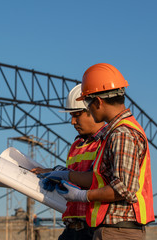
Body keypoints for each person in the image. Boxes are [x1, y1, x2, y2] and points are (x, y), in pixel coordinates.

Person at [51, 63, 155, 240]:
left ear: (97, 102)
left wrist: (81, 195)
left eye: (88, 104)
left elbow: (123, 189)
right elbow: (103, 179)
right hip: (112, 229)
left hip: (117, 230)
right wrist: (66, 175)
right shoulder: (115, 133)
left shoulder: (122, 134)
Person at [31, 84, 105, 240]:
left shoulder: (107, 142)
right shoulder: (76, 145)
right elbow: (76, 174)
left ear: (93, 110)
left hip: (92, 228)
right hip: (72, 227)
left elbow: (97, 178)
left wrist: (63, 175)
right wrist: (53, 173)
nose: (72, 121)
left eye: (77, 115)